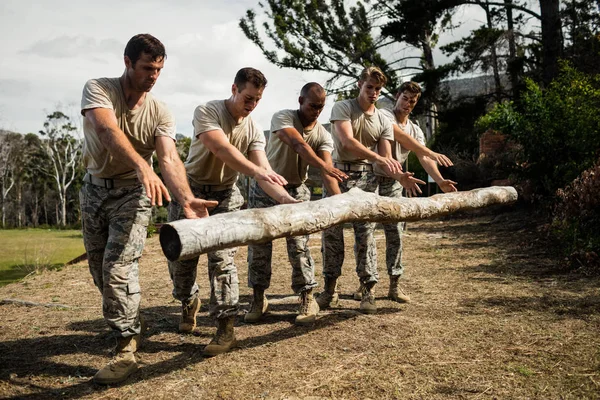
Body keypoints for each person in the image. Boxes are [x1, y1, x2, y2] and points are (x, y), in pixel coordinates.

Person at [80, 34, 217, 385]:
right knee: (100, 271)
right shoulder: (98, 88)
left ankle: (126, 349)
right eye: (147, 68)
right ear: (127, 62)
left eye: (159, 69)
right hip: (94, 191)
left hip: (134, 196)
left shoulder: (161, 110)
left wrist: (185, 199)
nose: (153, 75)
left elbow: (169, 158)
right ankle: (130, 316)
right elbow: (106, 128)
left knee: (117, 268)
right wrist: (143, 166)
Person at [168, 67, 298, 357]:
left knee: (223, 262)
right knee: (182, 265)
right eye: (248, 98)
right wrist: (258, 172)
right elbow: (220, 148)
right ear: (234, 89)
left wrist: (287, 200)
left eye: (257, 100)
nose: (251, 105)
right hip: (189, 193)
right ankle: (188, 300)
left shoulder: (252, 128)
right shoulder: (208, 111)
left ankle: (225, 328)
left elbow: (265, 173)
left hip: (226, 197)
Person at [316, 66, 423, 315]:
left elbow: (386, 158)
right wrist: (379, 158)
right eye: (369, 87)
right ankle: (329, 291)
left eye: (377, 89)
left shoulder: (383, 120)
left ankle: (368, 291)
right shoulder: (343, 107)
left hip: (367, 179)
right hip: (338, 175)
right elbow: (347, 141)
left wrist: (400, 176)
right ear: (359, 85)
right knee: (331, 237)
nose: (374, 93)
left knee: (365, 237)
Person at [245, 82, 348, 326]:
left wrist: (340, 204)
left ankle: (306, 296)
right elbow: (298, 144)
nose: (317, 111)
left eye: (321, 107)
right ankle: (259, 298)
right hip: (265, 187)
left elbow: (328, 175)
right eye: (313, 106)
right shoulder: (283, 117)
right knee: (259, 246)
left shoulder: (323, 134)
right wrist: (326, 166)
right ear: (300, 101)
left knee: (299, 246)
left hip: (296, 189)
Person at [355, 81, 458, 304]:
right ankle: (367, 287)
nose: (407, 104)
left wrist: (439, 181)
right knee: (365, 234)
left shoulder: (415, 129)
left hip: (396, 182)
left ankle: (395, 285)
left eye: (412, 101)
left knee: (396, 234)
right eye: (404, 98)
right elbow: (396, 144)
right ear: (397, 96)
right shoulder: (383, 115)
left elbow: (424, 157)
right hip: (372, 179)